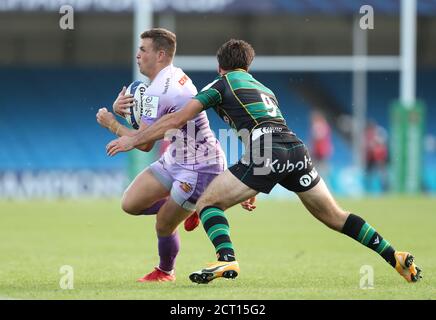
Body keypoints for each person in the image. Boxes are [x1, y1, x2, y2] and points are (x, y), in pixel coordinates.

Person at [105, 39, 422, 284]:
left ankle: (226, 258)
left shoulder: (221, 84)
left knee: (207, 204)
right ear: (248, 66)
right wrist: (252, 185)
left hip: (266, 151)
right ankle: (395, 255)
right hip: (296, 150)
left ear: (220, 67)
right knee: (336, 216)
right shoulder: (265, 89)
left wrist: (133, 137)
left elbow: (179, 119)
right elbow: (258, 129)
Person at [97, 28, 231, 282]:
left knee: (163, 223)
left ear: (160, 55)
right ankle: (188, 208)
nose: (137, 55)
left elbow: (144, 143)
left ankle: (165, 271)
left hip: (200, 166)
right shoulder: (169, 77)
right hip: (176, 158)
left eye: (143, 50)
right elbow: (148, 126)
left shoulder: (161, 91)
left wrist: (111, 123)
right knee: (130, 203)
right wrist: (121, 110)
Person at [310, 110, 332, 180]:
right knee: (319, 169)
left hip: (320, 152)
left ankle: (321, 184)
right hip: (320, 152)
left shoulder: (319, 125)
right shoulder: (323, 125)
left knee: (318, 170)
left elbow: (318, 138)